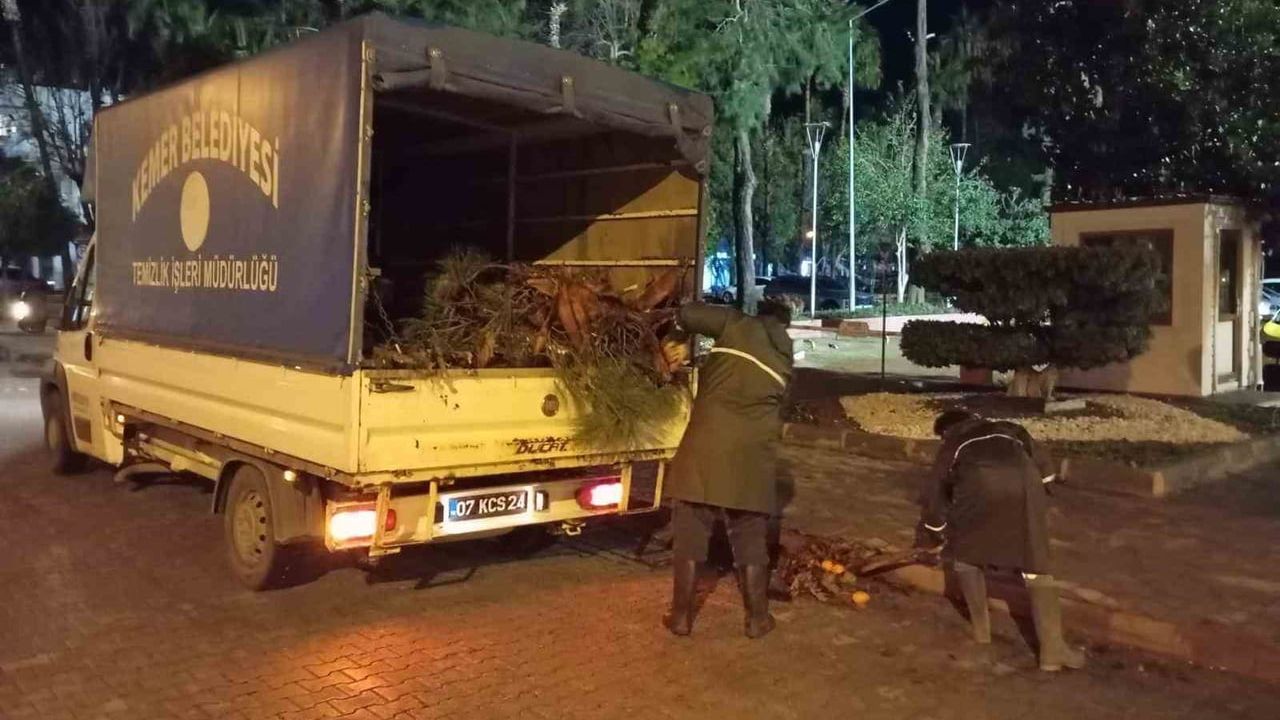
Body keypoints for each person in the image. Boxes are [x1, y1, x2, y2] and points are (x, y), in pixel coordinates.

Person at [662, 299, 794, 639]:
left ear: (759, 315)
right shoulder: (786, 360)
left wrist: (677, 338)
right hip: (752, 456)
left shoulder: (737, 324)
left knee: (690, 534)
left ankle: (680, 617)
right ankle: (757, 619)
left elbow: (687, 312)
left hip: (705, 449)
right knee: (750, 538)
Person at [916, 410, 1086, 672]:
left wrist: (934, 531)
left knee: (966, 556)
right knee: (1035, 564)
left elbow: (935, 491)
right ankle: (1053, 652)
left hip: (978, 490)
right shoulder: (1008, 429)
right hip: (1026, 488)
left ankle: (981, 632)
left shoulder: (953, 443)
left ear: (945, 432)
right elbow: (1044, 466)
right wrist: (1040, 492)